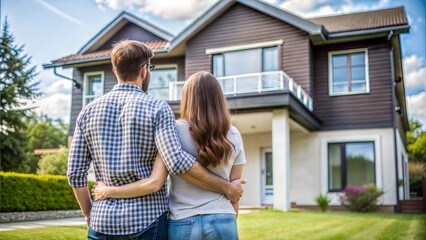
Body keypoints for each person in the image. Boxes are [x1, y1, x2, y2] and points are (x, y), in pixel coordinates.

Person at [67, 40, 244, 240]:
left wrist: (89, 213)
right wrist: (227, 187)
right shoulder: (158, 109)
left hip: (102, 222)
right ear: (144, 70)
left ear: (115, 70)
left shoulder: (87, 112)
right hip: (147, 221)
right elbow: (175, 161)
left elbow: (75, 174)